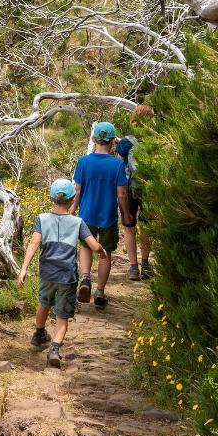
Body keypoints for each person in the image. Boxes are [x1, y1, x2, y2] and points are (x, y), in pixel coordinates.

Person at [16, 178, 105, 367]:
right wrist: (101, 251)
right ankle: (55, 349)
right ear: (73, 200)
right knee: (63, 315)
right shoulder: (78, 222)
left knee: (44, 303)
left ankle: (39, 333)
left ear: (51, 198)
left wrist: (23, 268)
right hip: (67, 275)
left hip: (47, 273)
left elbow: (34, 243)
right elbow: (93, 245)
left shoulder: (42, 219)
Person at [72, 121, 131, 310]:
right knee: (105, 253)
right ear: (113, 141)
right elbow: (121, 194)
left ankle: (86, 278)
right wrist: (126, 215)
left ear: (93, 139)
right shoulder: (117, 165)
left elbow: (77, 190)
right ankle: (99, 292)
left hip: (87, 216)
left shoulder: (83, 162)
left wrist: (72, 211)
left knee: (86, 247)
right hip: (108, 217)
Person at [117, 104, 155, 280]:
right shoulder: (156, 139)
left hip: (128, 189)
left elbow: (119, 167)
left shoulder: (125, 143)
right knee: (147, 226)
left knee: (129, 227)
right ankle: (146, 263)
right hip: (150, 189)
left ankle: (133, 267)